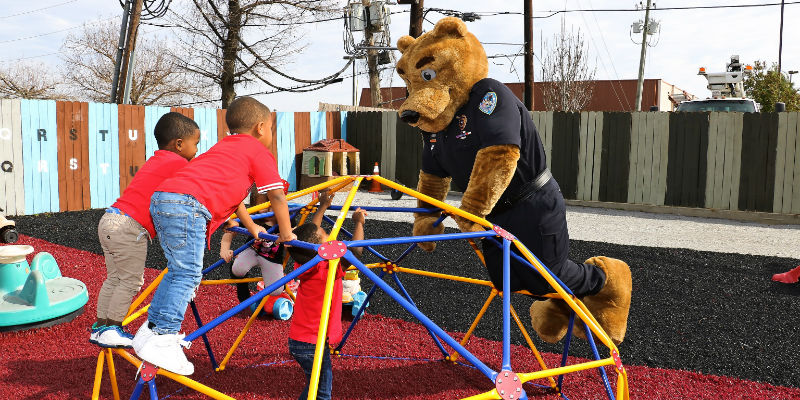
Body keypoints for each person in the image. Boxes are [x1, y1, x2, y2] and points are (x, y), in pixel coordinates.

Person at [132, 97, 297, 375]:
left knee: (178, 271)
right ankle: (165, 338)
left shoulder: (224, 147)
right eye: (271, 128)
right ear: (260, 128)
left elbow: (237, 199)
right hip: (188, 205)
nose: (270, 134)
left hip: (162, 198)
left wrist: (253, 227)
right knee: (187, 275)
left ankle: (151, 330)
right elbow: (277, 195)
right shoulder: (258, 152)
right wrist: (286, 233)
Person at [90, 112, 200, 348]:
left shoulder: (157, 160)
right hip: (130, 227)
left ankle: (100, 327)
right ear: (180, 144)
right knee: (130, 281)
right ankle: (112, 328)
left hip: (110, 219)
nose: (197, 151)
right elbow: (197, 187)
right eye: (196, 144)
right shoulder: (180, 163)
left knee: (115, 278)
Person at [287, 191, 366, 400]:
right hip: (314, 342)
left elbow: (311, 236)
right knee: (322, 393)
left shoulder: (303, 264)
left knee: (314, 387)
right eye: (325, 234)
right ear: (321, 247)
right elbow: (356, 252)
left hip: (298, 340)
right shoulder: (327, 267)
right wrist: (359, 223)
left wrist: (322, 207)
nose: (329, 235)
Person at [220, 203, 287, 303]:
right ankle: (242, 286)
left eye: (270, 203)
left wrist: (290, 237)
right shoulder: (253, 219)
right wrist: (224, 249)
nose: (267, 208)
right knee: (238, 270)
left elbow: (294, 234)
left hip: (272, 258)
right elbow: (230, 230)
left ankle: (266, 294)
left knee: (276, 290)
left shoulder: (287, 219)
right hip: (252, 250)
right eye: (262, 204)